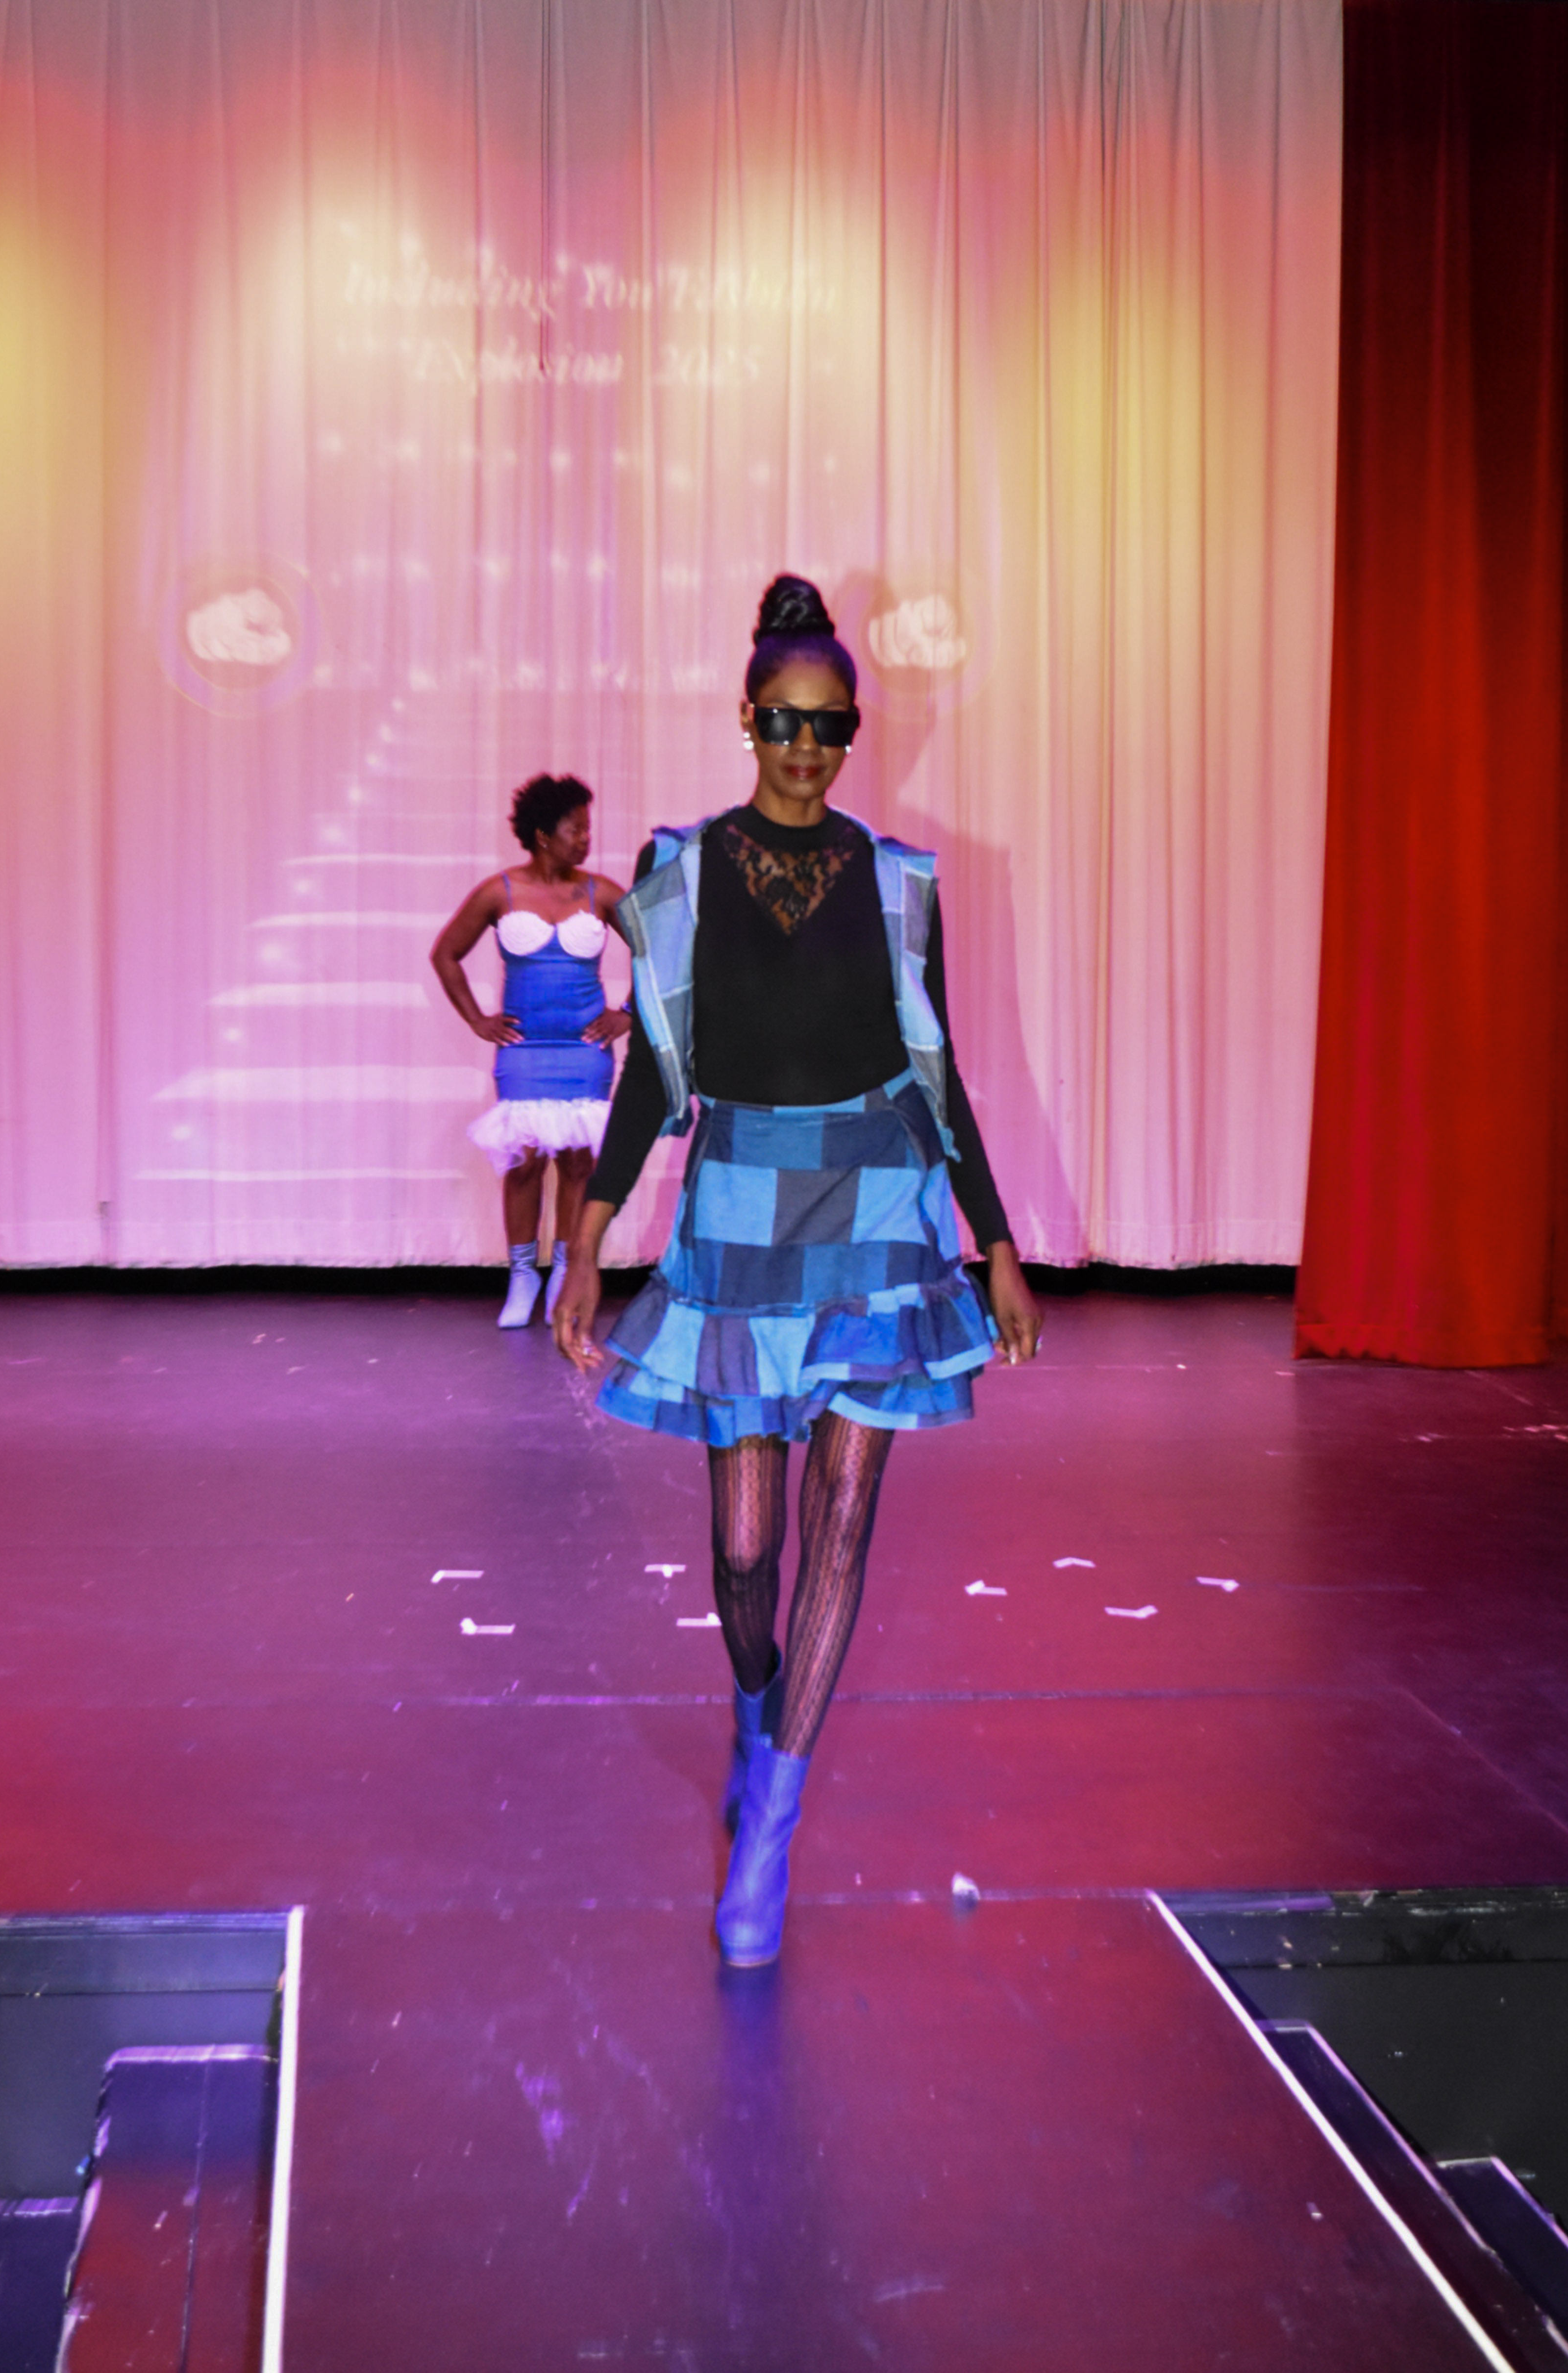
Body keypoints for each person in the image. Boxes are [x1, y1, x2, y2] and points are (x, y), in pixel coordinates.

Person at [553, 575, 1041, 1967]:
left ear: (851, 733)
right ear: (746, 718)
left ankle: (769, 1826)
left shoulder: (898, 883)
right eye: (784, 721)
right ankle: (756, 1705)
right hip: (736, 1208)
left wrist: (995, 1244)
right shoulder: (679, 873)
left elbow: (938, 1073)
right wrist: (587, 1239)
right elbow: (654, 1074)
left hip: (878, 1204)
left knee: (840, 1517)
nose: (806, 748)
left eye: (830, 726)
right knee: (745, 1546)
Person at [430, 775, 632, 1327]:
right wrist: (478, 1020)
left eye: (588, 828)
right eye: (576, 829)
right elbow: (446, 954)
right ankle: (523, 1276)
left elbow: (660, 950)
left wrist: (628, 1013)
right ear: (543, 835)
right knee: (523, 1163)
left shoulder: (601, 892)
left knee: (578, 1163)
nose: (586, 838)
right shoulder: (499, 891)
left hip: (584, 1051)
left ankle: (564, 1272)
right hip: (524, 1050)